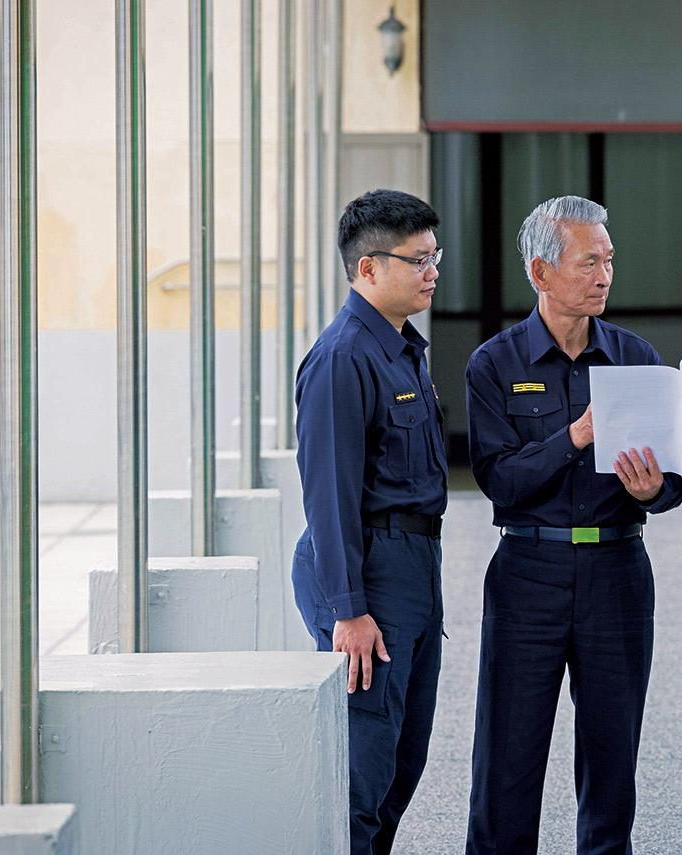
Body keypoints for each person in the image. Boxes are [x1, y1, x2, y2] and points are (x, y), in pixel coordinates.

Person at [464, 196, 682, 854]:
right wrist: (577, 435)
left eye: (609, 260)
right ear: (541, 272)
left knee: (612, 754)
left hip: (618, 571)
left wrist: (654, 491)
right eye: (589, 261)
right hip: (527, 573)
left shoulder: (635, 355)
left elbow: (672, 481)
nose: (604, 275)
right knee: (508, 755)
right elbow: (499, 479)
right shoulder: (494, 365)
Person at [291, 189, 448, 854]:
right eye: (417, 259)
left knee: (400, 763)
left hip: (412, 565)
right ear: (368, 269)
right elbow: (327, 497)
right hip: (370, 569)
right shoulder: (343, 356)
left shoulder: (401, 348)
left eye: (435, 256)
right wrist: (349, 610)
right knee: (365, 769)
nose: (432, 271)